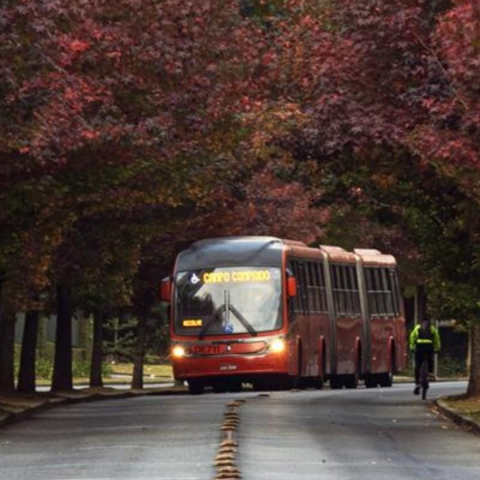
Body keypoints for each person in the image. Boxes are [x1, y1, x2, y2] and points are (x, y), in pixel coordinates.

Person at [409, 318, 441, 395]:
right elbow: (436, 339)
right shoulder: (432, 328)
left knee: (418, 365)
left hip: (419, 347)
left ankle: (417, 382)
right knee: (430, 360)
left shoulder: (417, 327)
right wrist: (437, 348)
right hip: (429, 347)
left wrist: (412, 347)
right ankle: (430, 373)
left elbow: (412, 337)